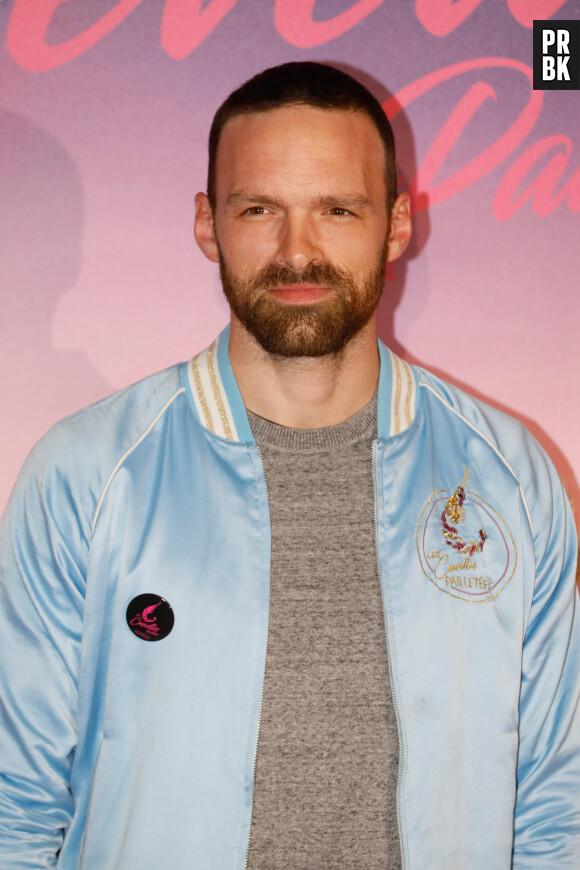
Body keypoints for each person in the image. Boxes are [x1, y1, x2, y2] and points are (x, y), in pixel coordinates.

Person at [0, 62, 578, 870]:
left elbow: (557, 802)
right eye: (259, 208)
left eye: (337, 209)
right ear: (208, 224)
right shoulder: (87, 473)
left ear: (398, 225)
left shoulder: (512, 478)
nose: (296, 251)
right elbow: (16, 804)